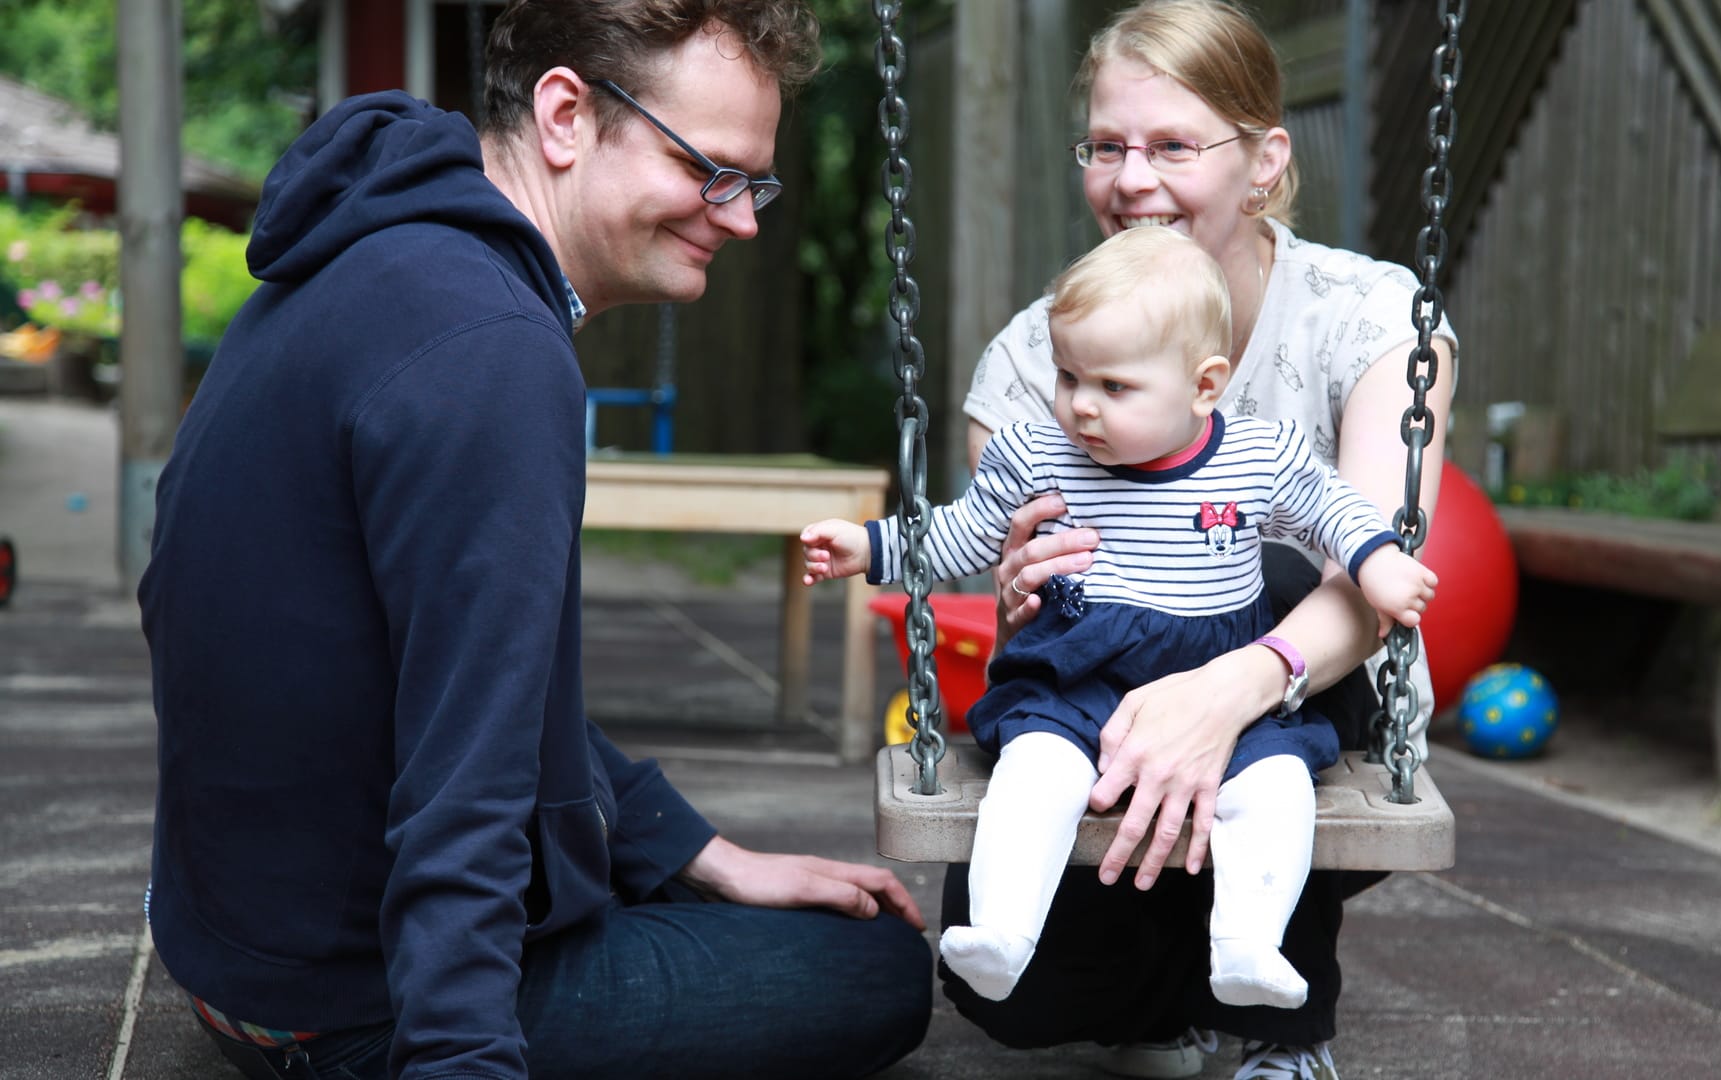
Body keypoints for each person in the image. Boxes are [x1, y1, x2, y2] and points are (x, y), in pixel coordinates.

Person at [136, 3, 931, 1079]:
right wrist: (460, 1057)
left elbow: (437, 673)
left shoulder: (367, 258)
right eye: (710, 169)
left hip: (237, 962)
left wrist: (701, 856)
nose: (740, 218)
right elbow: (466, 775)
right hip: (354, 1007)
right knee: (877, 967)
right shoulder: (493, 353)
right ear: (566, 115)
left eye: (756, 181)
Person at [946, 2, 1459, 1077]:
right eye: (1108, 146)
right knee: (1019, 997)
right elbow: (1007, 592)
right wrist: (1021, 585)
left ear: (1264, 161)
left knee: (1266, 560)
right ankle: (1193, 973)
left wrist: (1228, 691)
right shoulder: (1039, 358)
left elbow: (1369, 567)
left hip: (1310, 693)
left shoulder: (1369, 320)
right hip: (1107, 700)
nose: (1133, 179)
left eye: (1175, 145)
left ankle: (1283, 1026)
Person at [801, 225, 1436, 1012]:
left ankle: (1247, 946)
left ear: (1205, 386)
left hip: (1216, 667)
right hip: (1082, 665)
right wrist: (870, 546)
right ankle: (1001, 933)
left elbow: (1336, 512)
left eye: (1114, 387)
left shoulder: (1259, 456)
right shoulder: (1039, 451)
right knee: (1037, 771)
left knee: (1276, 783)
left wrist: (1378, 563)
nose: (1081, 406)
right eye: (1068, 377)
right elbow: (965, 531)